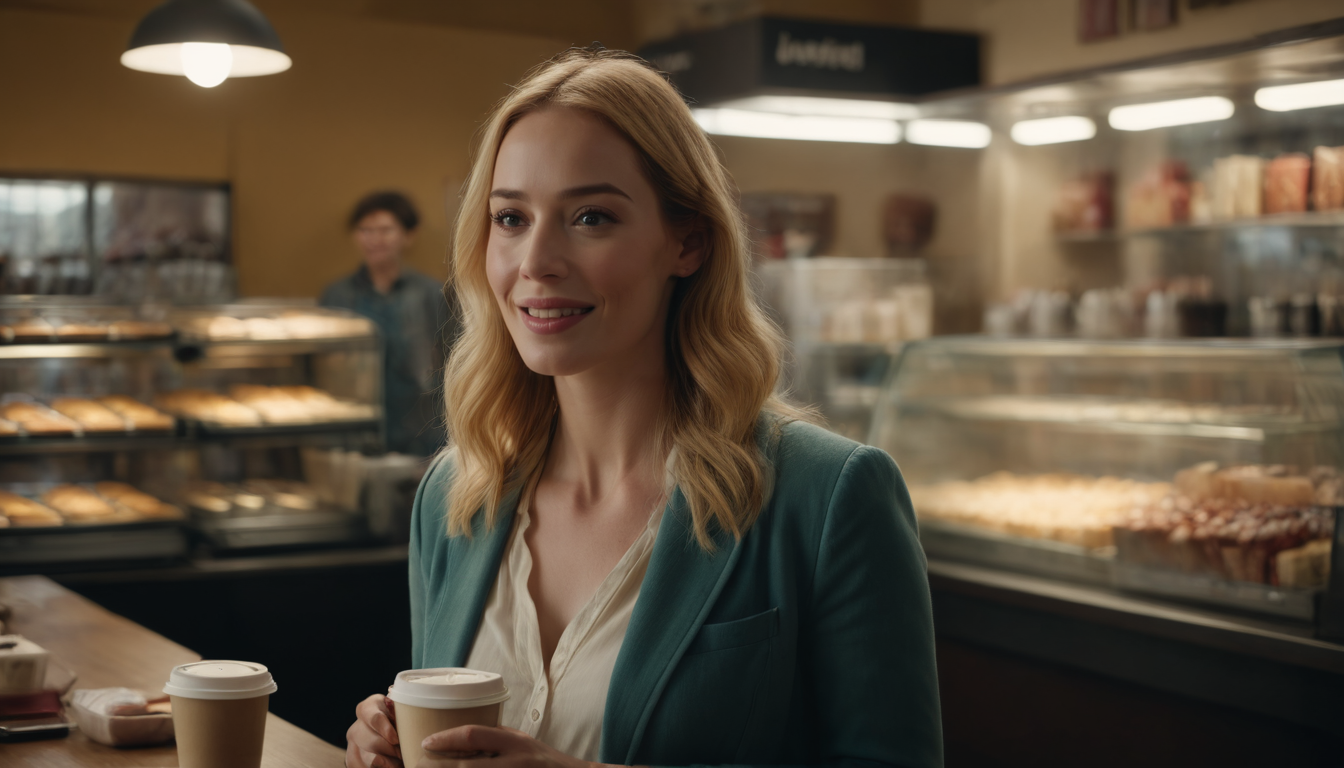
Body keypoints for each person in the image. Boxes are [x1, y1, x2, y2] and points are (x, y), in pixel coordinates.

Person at [345, 48, 941, 768]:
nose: (536, 260)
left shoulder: (829, 495)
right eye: (510, 218)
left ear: (686, 241)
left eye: (590, 216)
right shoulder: (454, 494)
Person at [320, 191, 458, 456]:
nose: (374, 240)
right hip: (355, 430)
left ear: (409, 235)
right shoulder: (337, 295)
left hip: (422, 432)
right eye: (365, 230)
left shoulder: (432, 294)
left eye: (385, 230)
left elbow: (455, 361)